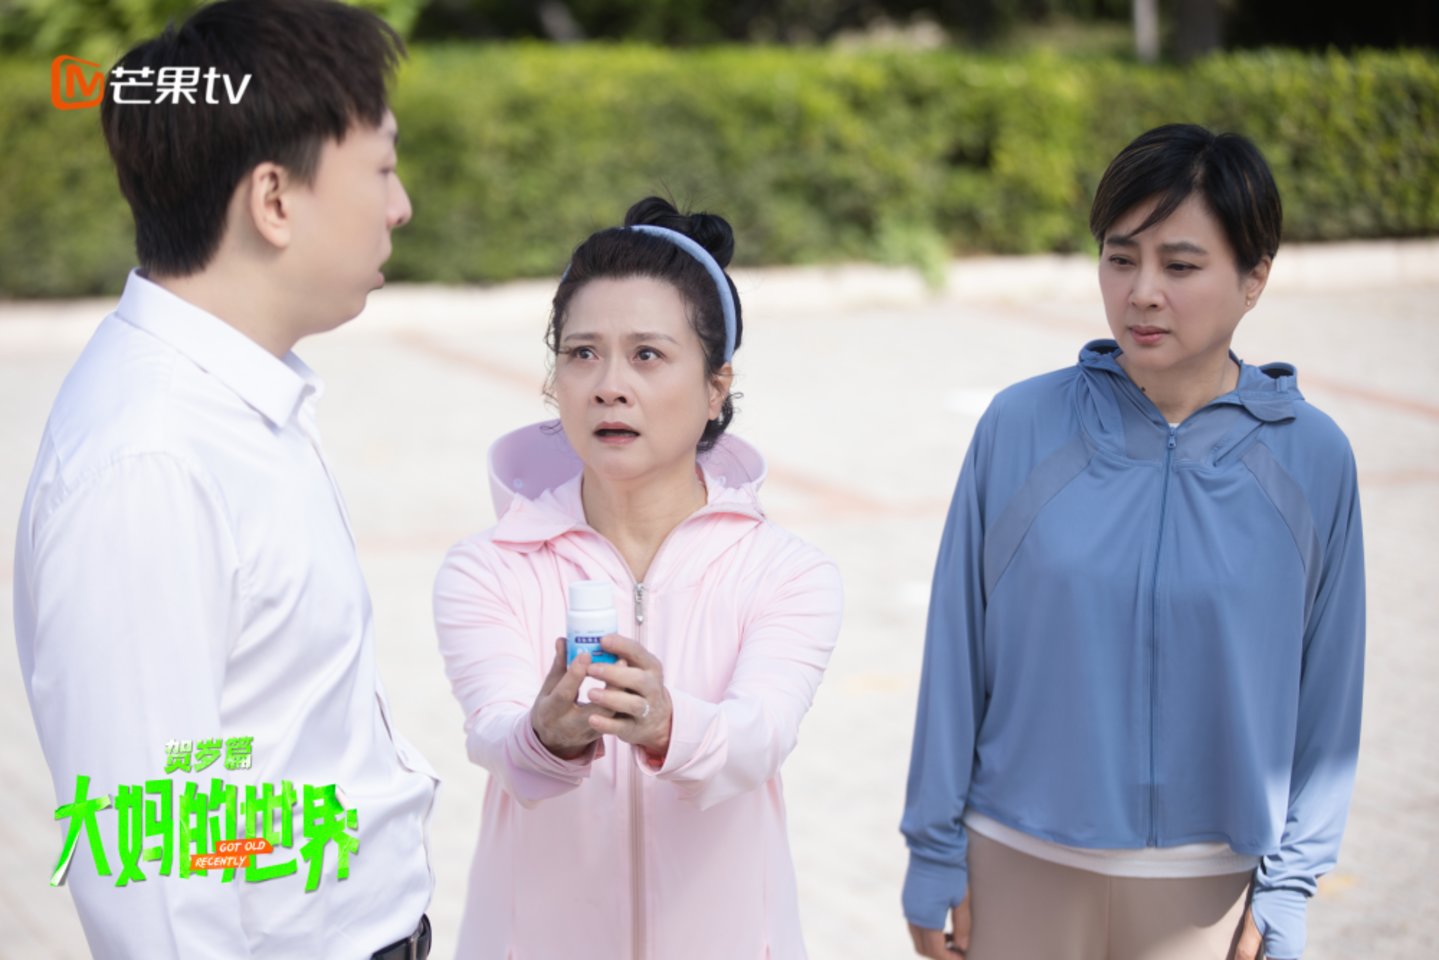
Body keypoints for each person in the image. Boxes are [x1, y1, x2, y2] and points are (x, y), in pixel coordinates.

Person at [13, 2, 438, 956]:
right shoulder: (150, 460)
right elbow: (154, 872)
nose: (400, 205)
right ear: (274, 200)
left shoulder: (237, 399)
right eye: (381, 168)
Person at [901, 124, 1364, 960]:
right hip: (1016, 861)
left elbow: (1328, 695)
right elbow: (954, 651)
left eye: (1179, 266)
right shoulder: (1019, 426)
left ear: (1253, 278)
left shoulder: (1312, 457)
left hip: (1207, 888)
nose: (1141, 293)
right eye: (1120, 259)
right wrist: (933, 848)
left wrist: (1289, 885)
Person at [433, 196, 844, 959]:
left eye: (647, 355)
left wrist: (667, 726)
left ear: (716, 388)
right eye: (582, 353)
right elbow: (496, 738)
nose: (608, 385)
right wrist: (544, 737)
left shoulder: (786, 573)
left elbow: (758, 739)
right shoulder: (487, 567)